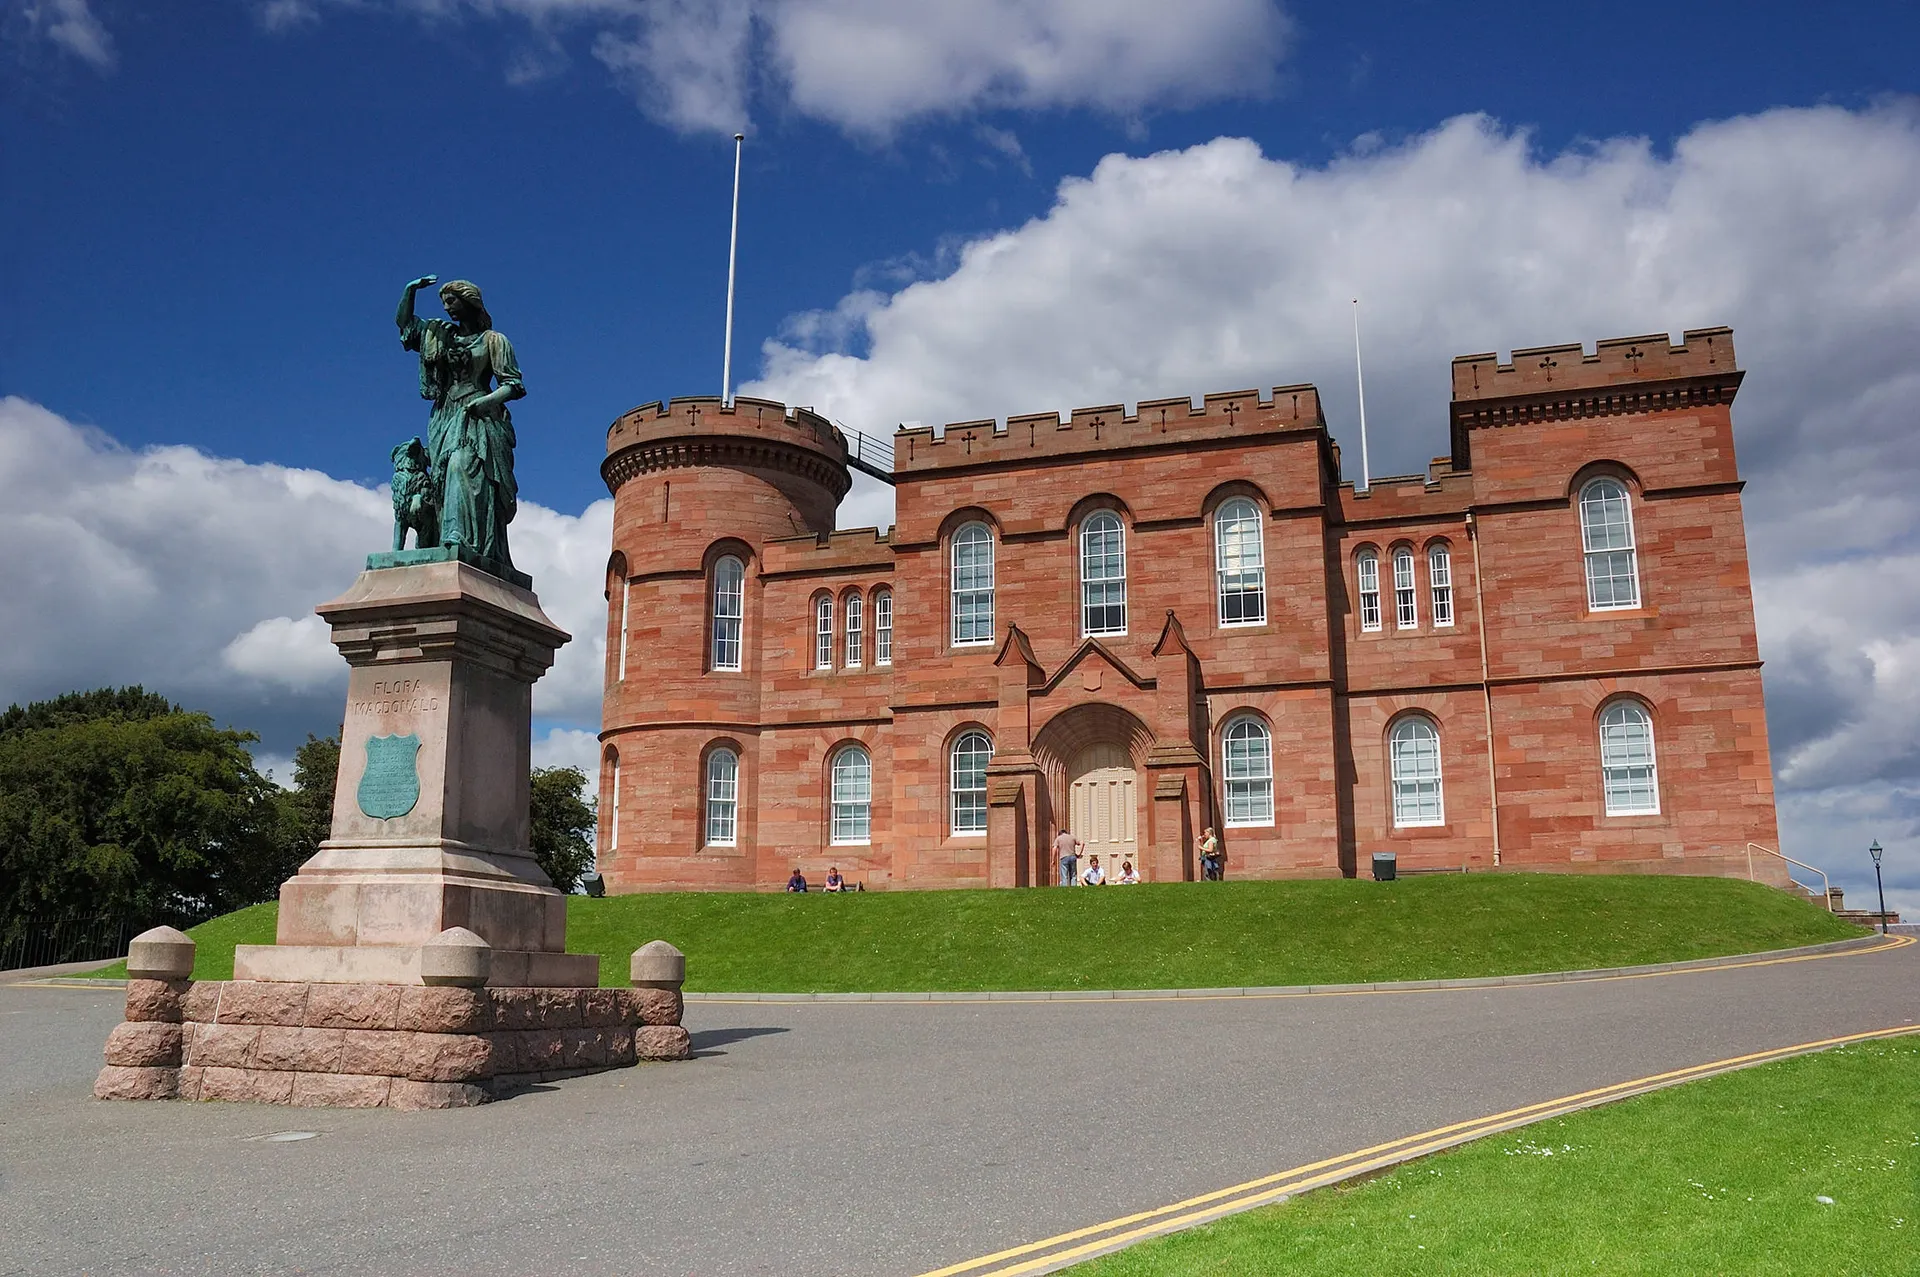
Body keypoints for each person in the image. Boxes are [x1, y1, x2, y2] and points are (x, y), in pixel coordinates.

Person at [395, 275, 524, 569]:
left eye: (452, 301)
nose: (447, 309)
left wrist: (485, 402)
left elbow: (513, 385)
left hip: (477, 416)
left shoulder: (494, 341)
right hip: (444, 416)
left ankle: (462, 540)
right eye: (443, 303)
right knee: (441, 482)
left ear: (469, 302)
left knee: (461, 466)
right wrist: (409, 291)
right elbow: (405, 325)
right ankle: (443, 540)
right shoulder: (439, 334)